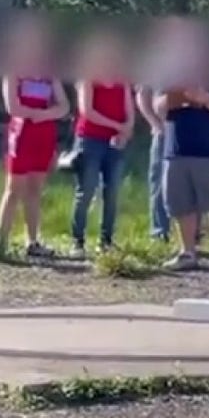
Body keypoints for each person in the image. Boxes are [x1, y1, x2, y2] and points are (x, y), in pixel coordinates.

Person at [0, 19, 69, 257]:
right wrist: (40, 114)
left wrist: (43, 115)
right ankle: (0, 242)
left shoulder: (49, 74)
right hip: (21, 133)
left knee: (35, 189)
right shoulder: (13, 72)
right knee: (13, 188)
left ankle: (33, 241)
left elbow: (64, 106)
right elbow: (13, 107)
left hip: (44, 134)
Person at [154, 87, 209, 271]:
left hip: (207, 150)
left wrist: (204, 97)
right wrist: (178, 98)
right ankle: (187, 252)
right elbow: (158, 107)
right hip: (175, 150)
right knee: (181, 204)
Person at [69, 30, 134, 258]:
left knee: (112, 191)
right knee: (86, 190)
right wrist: (117, 125)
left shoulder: (122, 79)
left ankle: (106, 240)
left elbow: (129, 110)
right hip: (90, 139)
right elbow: (88, 111)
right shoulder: (88, 78)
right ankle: (77, 240)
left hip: (114, 142)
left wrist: (126, 129)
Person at [137, 85, 171, 243]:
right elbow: (143, 95)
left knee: (191, 181)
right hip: (163, 132)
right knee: (159, 182)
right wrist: (156, 125)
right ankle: (159, 231)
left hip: (190, 130)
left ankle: (193, 234)